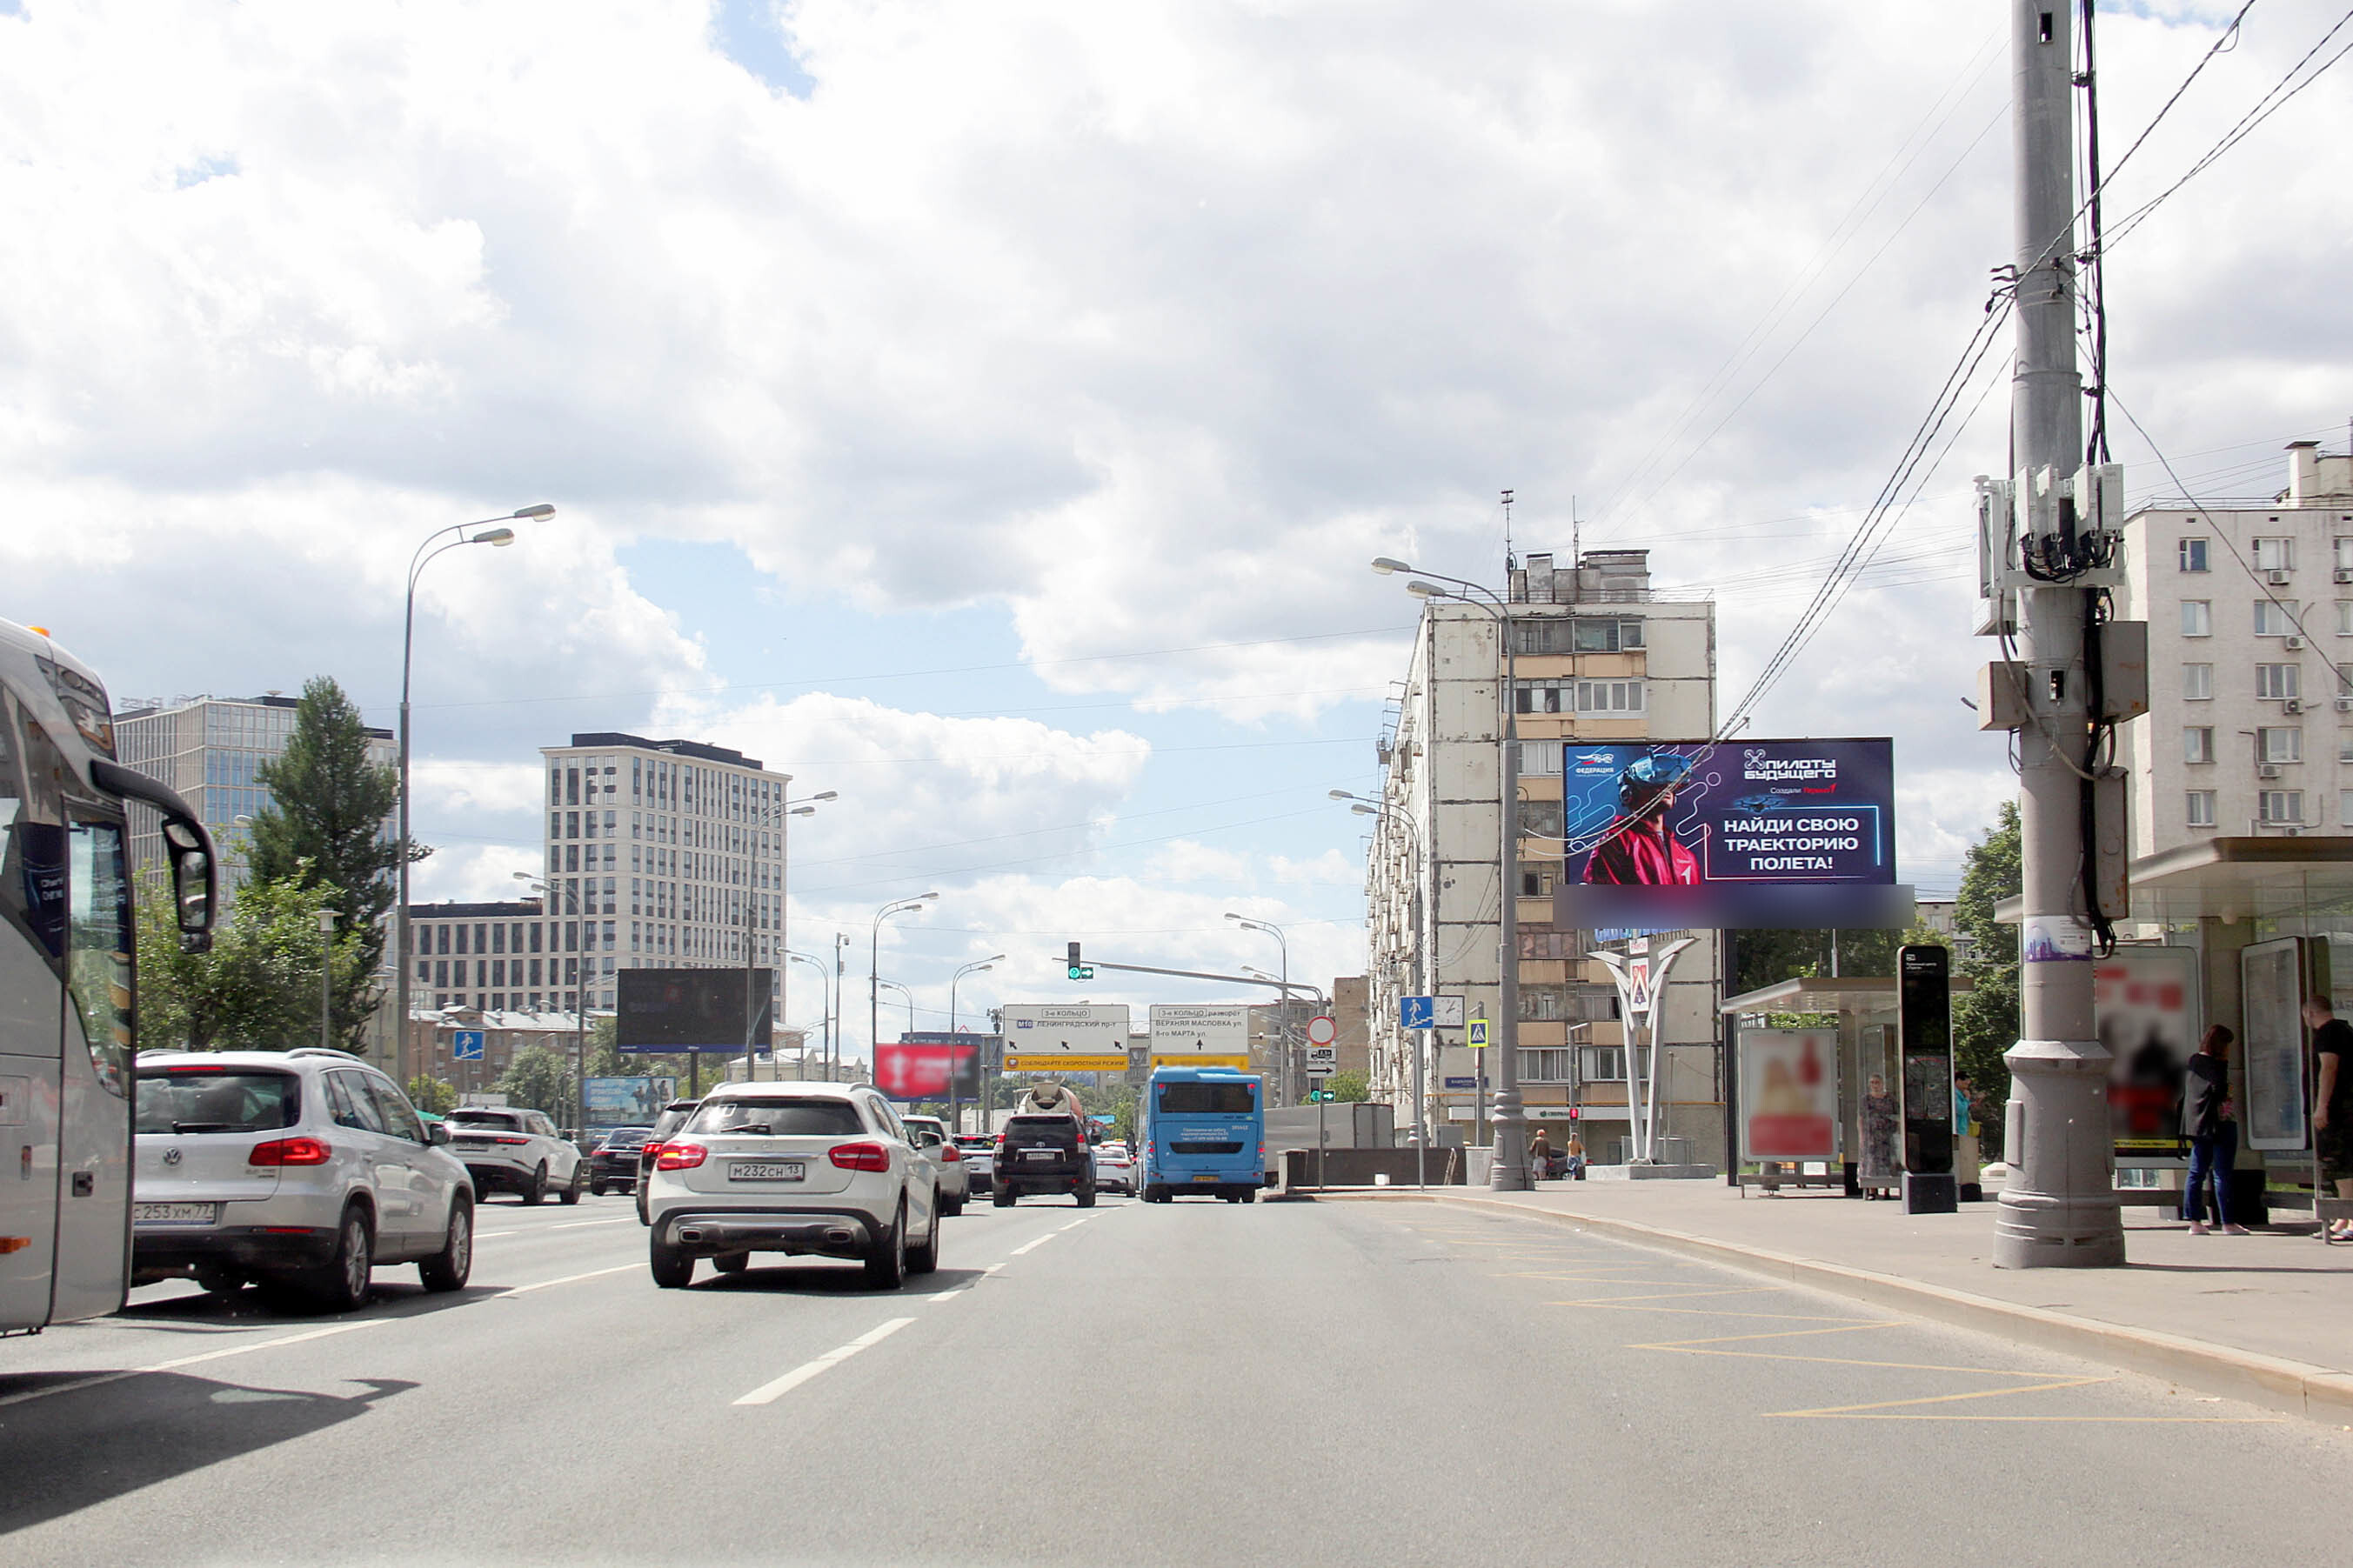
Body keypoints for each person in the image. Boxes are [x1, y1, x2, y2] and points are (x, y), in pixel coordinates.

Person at [1581, 752, 1701, 886]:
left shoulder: (1686, 856)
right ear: (1628, 794)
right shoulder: (1616, 842)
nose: (1666, 789)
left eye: (1670, 785)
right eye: (1656, 785)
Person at [2179, 1024, 2248, 1235]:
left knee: (2196, 1172)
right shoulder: (2217, 1064)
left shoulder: (2194, 1061)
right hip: (2222, 1122)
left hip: (2200, 1126)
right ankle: (2227, 1223)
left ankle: (2195, 1223)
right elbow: (2220, 1089)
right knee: (2222, 1173)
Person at [2302, 995, 2353, 1240]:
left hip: (2338, 1111)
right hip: (2343, 1109)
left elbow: (2328, 1068)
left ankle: (2349, 1218)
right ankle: (2343, 1217)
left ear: (2309, 1013)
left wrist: (2321, 1106)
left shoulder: (2328, 1034)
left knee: (2340, 1163)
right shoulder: (2344, 1030)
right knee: (2341, 1166)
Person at [1857, 1073, 1899, 1199]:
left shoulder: (1890, 1099)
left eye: (1877, 1082)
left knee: (1888, 1161)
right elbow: (1860, 1118)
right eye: (1872, 1083)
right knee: (1872, 1162)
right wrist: (1861, 1136)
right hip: (1871, 1135)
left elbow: (1897, 1115)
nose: (1875, 1085)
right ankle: (1872, 1190)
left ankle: (1887, 1189)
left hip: (1887, 1135)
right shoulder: (1866, 1099)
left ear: (1882, 1084)